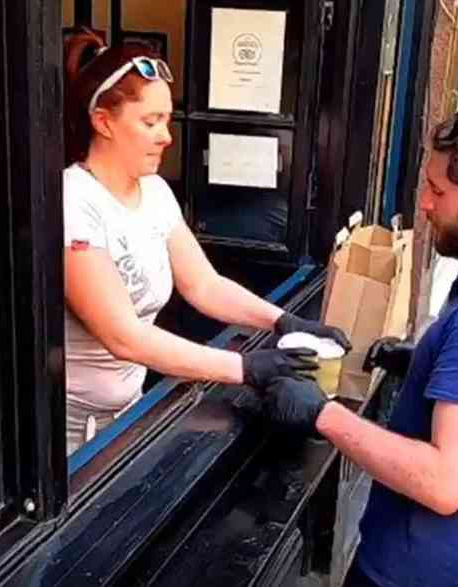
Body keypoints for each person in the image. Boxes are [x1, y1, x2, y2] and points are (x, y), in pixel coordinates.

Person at [259, 96, 458, 586]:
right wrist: (424, 362)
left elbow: (444, 481)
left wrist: (322, 413)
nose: (425, 205)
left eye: (437, 191)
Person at [61, 28, 351, 455]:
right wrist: (245, 367)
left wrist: (283, 321)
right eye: (150, 121)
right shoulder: (75, 200)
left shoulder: (155, 192)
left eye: (167, 119)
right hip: (73, 432)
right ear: (102, 121)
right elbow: (123, 335)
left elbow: (203, 285)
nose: (167, 135)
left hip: (129, 412)